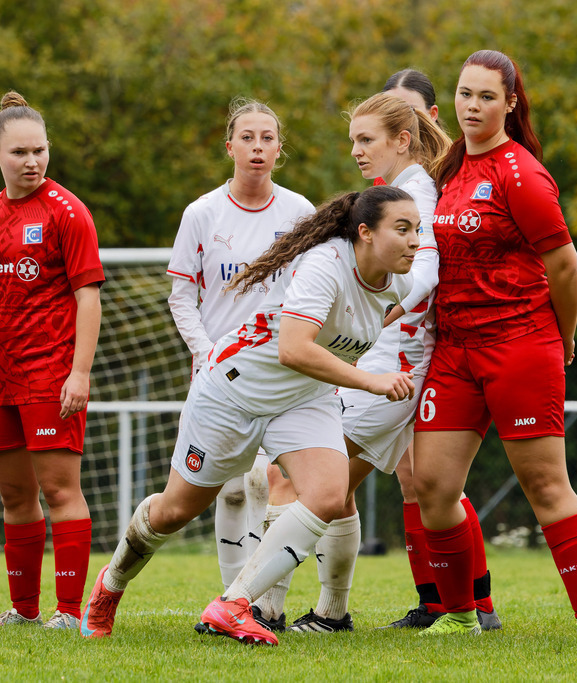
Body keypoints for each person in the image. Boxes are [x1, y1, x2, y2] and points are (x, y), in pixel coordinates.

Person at [82, 185, 422, 646]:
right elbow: (292, 349)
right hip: (234, 392)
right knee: (175, 511)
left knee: (327, 493)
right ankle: (110, 584)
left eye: (417, 229)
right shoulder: (326, 264)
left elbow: (363, 323)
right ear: (364, 233)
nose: (415, 240)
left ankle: (233, 604)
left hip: (304, 400)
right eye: (402, 229)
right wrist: (371, 381)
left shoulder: (400, 280)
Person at [287, 72, 500, 634]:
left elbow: (424, 268)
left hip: (397, 364)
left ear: (408, 131)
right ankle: (455, 605)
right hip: (390, 361)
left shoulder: (417, 193)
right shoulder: (404, 188)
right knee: (416, 484)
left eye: (366, 137)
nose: (356, 150)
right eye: (354, 139)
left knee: (315, 484)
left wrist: (391, 299)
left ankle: (258, 607)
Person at [413, 50, 577, 640]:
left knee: (545, 485)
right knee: (432, 485)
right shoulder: (450, 168)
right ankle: (459, 613)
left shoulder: (519, 173)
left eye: (486, 97)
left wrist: (564, 335)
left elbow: (565, 265)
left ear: (511, 103)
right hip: (454, 350)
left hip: (520, 343)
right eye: (464, 94)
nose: (471, 106)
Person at [165, 97, 315, 630]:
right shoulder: (202, 213)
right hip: (218, 375)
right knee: (230, 486)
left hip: (283, 373)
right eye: (247, 137)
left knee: (277, 485)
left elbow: (313, 292)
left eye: (268, 138)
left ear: (280, 149)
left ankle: (267, 606)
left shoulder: (300, 212)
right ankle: (232, 601)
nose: (257, 147)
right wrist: (207, 354)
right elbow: (181, 295)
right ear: (229, 147)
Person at [0, 91, 104, 630]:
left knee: (60, 491)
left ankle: (70, 613)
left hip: (50, 375)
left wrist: (80, 372)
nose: (33, 161)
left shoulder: (67, 212)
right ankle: (23, 612)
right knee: (15, 496)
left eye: (40, 150)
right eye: (20, 152)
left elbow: (88, 295)